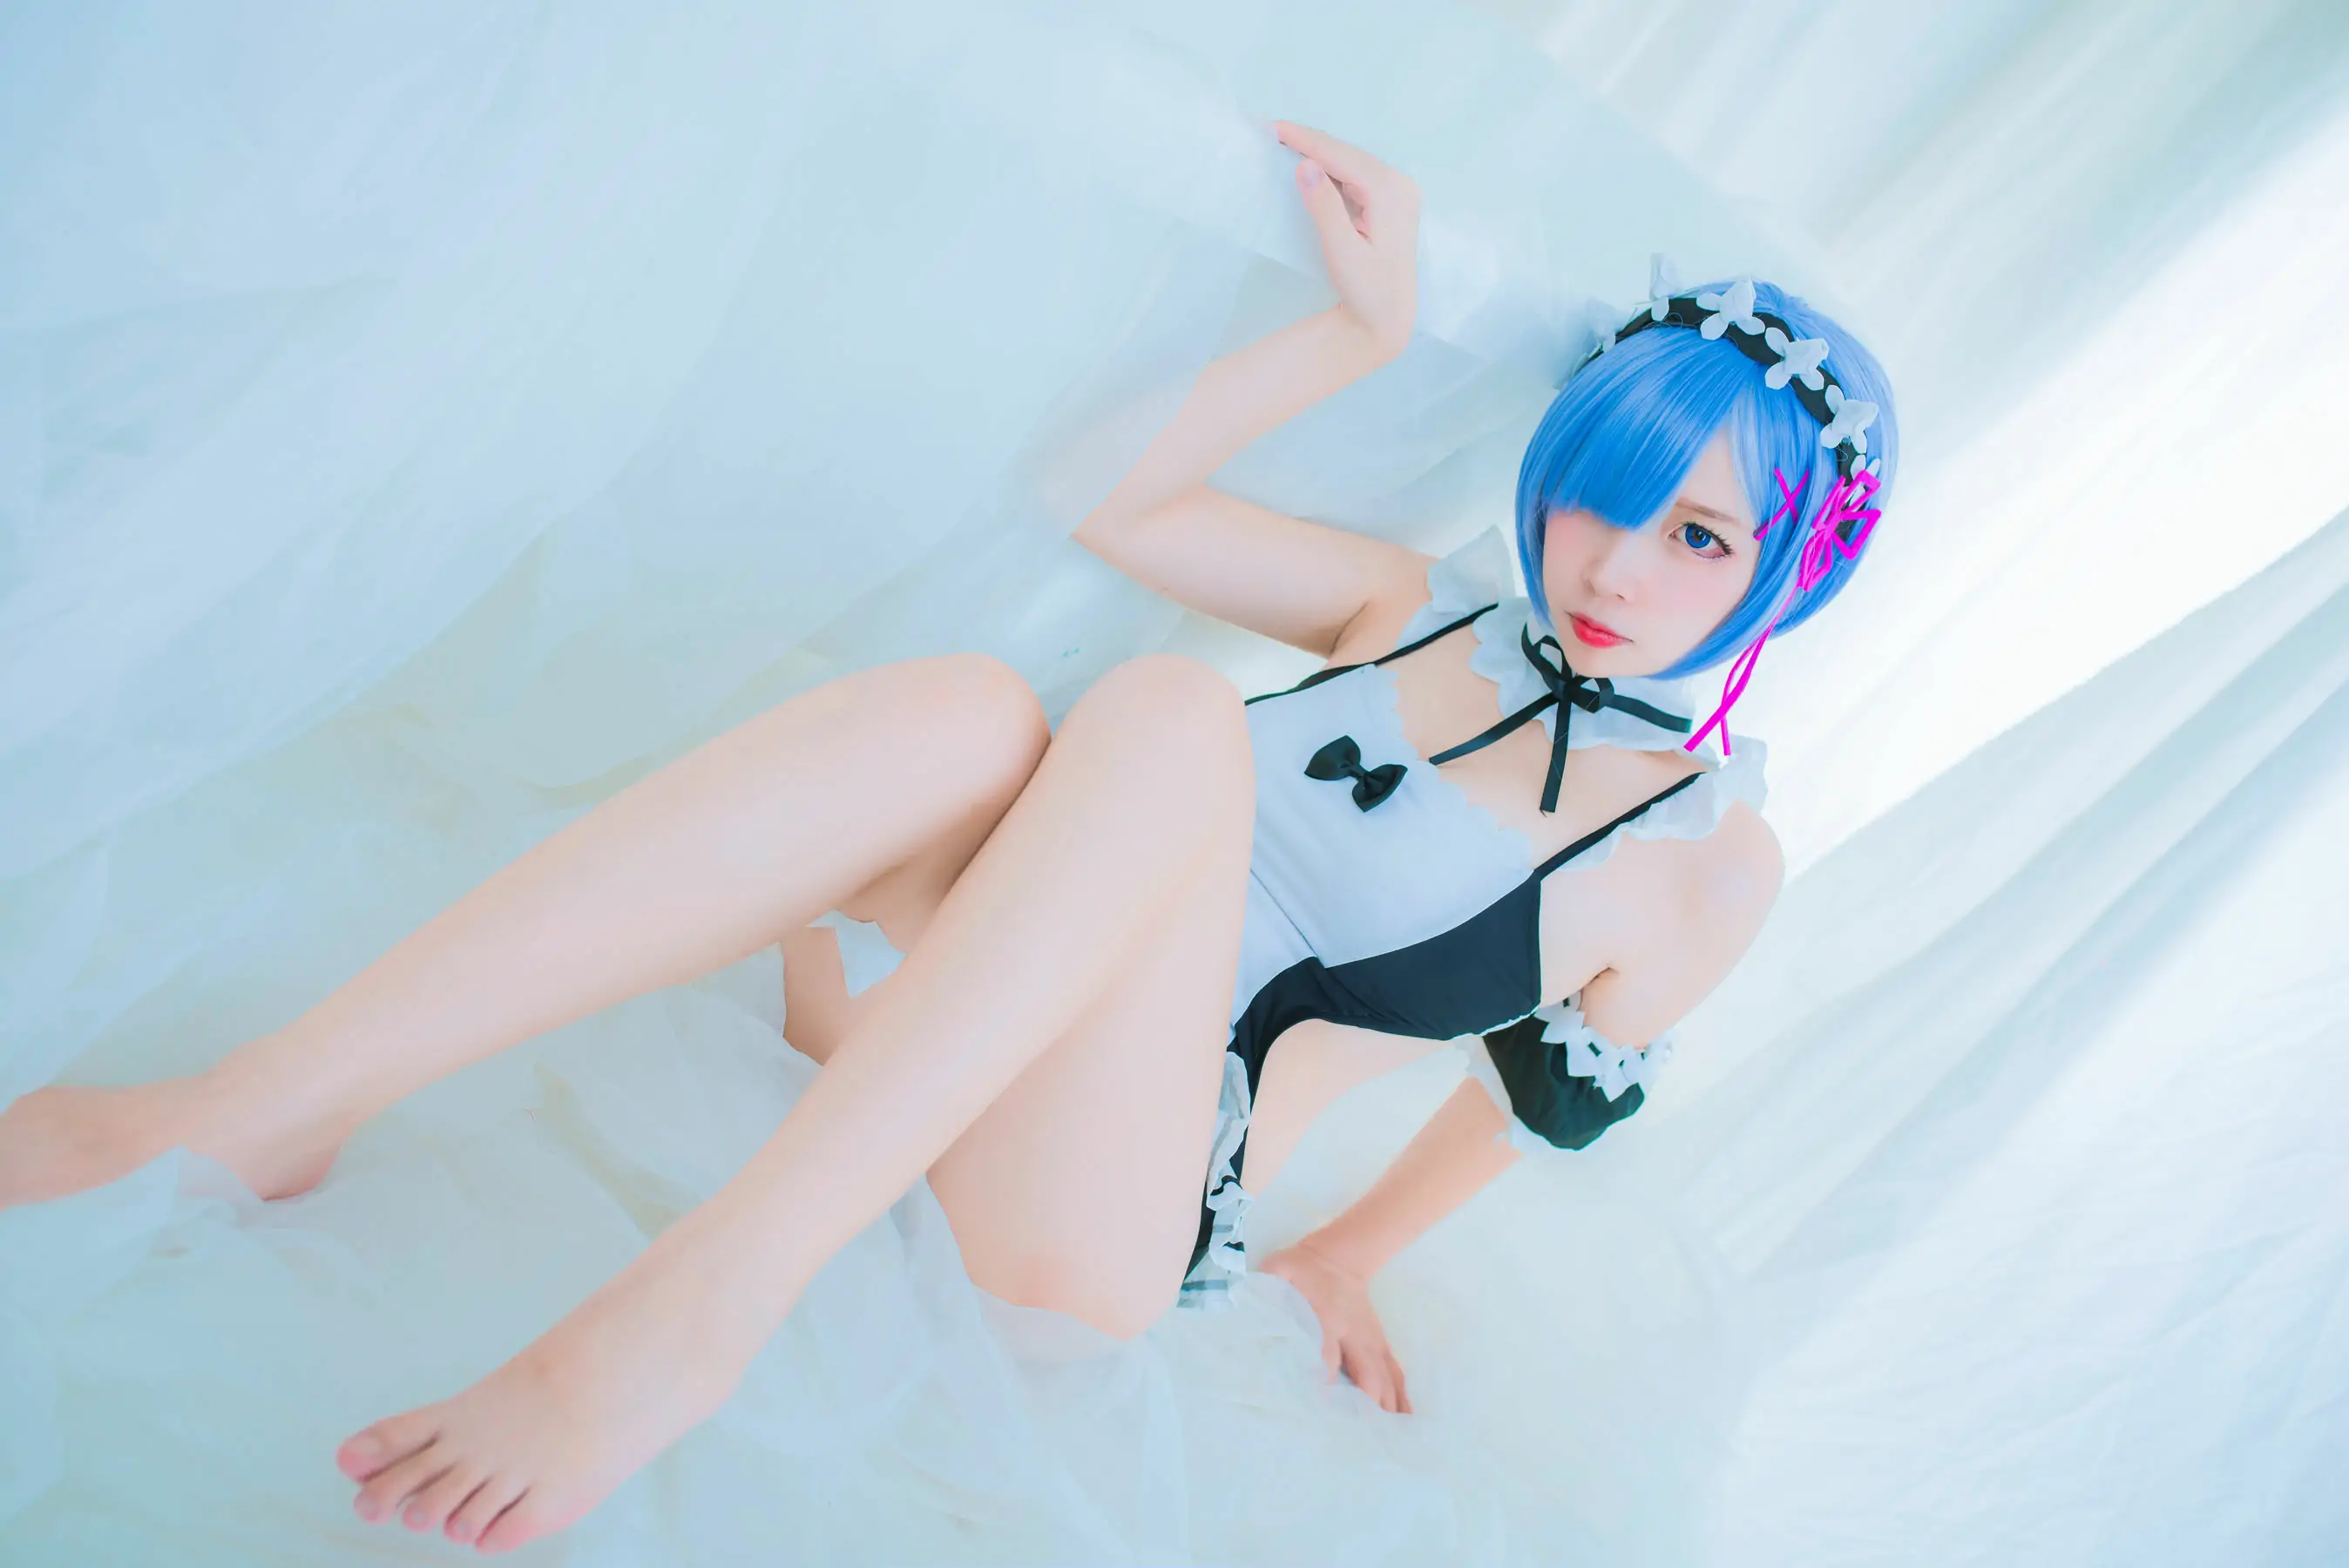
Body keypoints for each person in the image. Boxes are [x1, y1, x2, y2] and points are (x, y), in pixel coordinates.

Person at [0, 120, 1895, 1552]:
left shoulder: (1703, 859)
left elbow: (1541, 1110)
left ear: (1793, 569)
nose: (1614, 570)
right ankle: (260, 1109)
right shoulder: (1415, 612)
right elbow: (1106, 490)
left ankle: (699, 1309)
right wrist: (1356, 330)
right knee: (973, 710)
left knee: (1165, 715)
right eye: (1603, 500)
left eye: (1698, 538)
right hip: (922, 1024)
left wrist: (1345, 1255)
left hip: (1088, 1223)